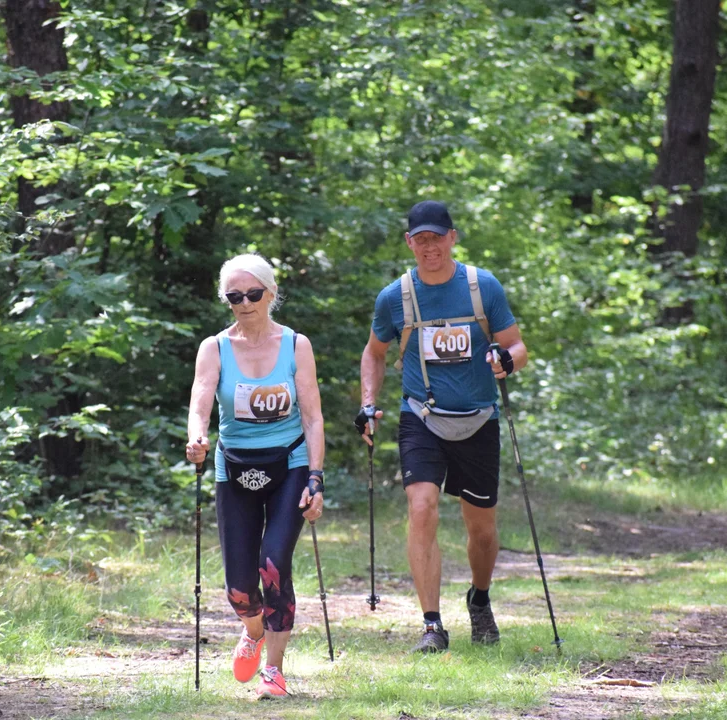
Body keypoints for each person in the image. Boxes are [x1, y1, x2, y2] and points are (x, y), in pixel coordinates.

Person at [356, 200, 527, 653]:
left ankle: (480, 598)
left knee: (482, 530)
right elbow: (374, 353)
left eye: (437, 237)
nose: (429, 247)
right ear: (409, 243)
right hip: (422, 417)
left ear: (453, 237)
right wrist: (368, 405)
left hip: (478, 418)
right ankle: (432, 624)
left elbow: (516, 345)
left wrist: (506, 360)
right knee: (421, 507)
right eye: (421, 239)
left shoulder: (481, 287)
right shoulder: (395, 296)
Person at [186, 253, 325, 698]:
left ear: (270, 293)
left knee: (273, 565)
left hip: (289, 465)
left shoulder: (296, 344)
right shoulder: (216, 347)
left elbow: (313, 416)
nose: (244, 303)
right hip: (235, 468)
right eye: (234, 296)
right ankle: (253, 629)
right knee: (241, 589)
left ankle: (274, 671)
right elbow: (200, 400)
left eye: (252, 294)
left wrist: (316, 478)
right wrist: (197, 438)